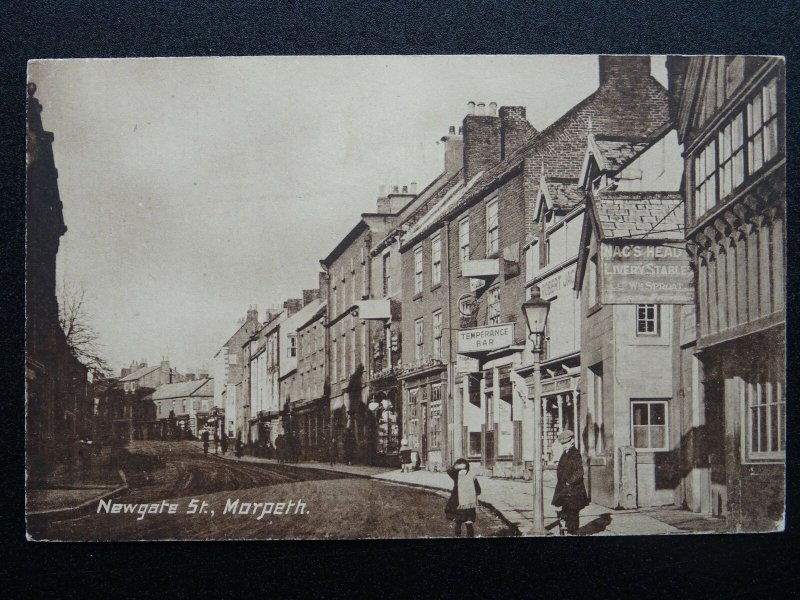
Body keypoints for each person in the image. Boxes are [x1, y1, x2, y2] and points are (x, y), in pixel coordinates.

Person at [551, 429, 588, 535]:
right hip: (566, 490)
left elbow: (579, 472)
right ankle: (567, 530)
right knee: (566, 511)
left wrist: (569, 483)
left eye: (566, 443)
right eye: (562, 443)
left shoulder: (575, 453)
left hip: (573, 490)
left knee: (573, 513)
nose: (564, 445)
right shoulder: (566, 452)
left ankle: (572, 533)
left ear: (572, 441)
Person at [445, 458, 481, 538]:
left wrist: (456, 467)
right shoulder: (472, 475)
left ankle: (458, 537)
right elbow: (478, 490)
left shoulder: (457, 475)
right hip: (470, 504)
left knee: (457, 521)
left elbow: (449, 471)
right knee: (469, 522)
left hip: (458, 503)